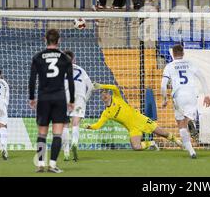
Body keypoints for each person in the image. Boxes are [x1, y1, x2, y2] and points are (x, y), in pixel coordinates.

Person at [84, 83, 183, 151]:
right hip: (132, 129)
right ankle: (152, 143)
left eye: (105, 93)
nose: (104, 95)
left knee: (162, 133)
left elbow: (114, 87)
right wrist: (89, 127)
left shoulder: (117, 97)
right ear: (101, 99)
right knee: (136, 147)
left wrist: (101, 86)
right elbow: (98, 125)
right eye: (102, 95)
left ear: (109, 95)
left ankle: (179, 142)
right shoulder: (106, 113)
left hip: (141, 120)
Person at [28, 29, 75, 173]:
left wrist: (31, 97)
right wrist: (71, 100)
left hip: (43, 98)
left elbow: (32, 79)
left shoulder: (37, 57)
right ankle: (53, 165)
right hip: (59, 98)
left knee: (42, 133)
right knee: (57, 134)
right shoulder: (65, 58)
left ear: (45, 39)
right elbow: (71, 81)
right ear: (59, 40)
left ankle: (41, 164)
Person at [161, 44, 210, 158]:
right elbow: (202, 78)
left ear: (173, 54)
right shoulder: (190, 63)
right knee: (186, 119)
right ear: (183, 53)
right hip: (191, 94)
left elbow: (163, 85)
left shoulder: (169, 66)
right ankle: (191, 122)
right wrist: (207, 95)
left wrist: (164, 99)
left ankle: (191, 151)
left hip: (178, 96)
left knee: (180, 124)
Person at [62, 50, 93, 162]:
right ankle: (74, 142)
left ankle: (66, 153)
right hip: (80, 97)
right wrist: (85, 98)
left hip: (65, 97)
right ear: (74, 59)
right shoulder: (81, 70)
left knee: (64, 125)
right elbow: (91, 87)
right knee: (75, 123)